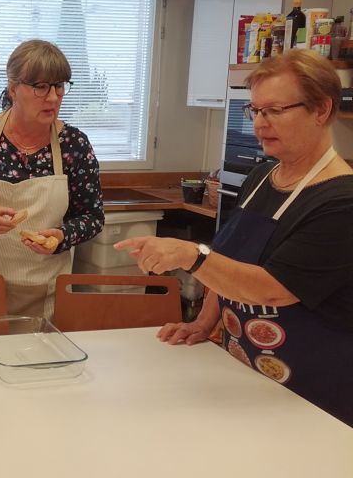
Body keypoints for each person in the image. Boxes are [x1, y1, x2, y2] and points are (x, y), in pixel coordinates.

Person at [115, 49, 353, 426]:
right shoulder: (261, 178)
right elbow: (228, 265)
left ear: (321, 110)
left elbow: (273, 290)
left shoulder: (341, 201)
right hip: (242, 372)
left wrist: (191, 255)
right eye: (255, 110)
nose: (259, 124)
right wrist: (203, 323)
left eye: (274, 111)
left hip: (310, 392)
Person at [0, 39, 104, 318]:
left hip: (43, 292)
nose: (53, 97)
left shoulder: (74, 145)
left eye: (59, 86)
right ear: (13, 88)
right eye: (41, 86)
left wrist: (62, 236)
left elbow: (92, 217)